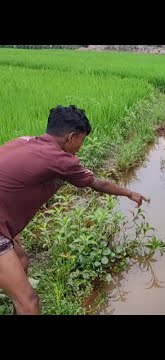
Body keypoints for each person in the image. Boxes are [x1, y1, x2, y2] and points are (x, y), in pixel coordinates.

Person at [0, 105, 146, 314]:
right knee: (30, 302)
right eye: (81, 141)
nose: (80, 147)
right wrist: (130, 193)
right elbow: (97, 183)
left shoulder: (23, 141)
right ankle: (20, 300)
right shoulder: (59, 159)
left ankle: (14, 294)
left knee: (21, 259)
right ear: (71, 137)